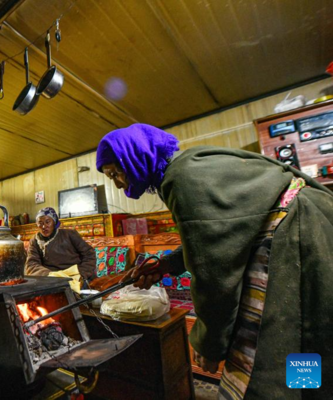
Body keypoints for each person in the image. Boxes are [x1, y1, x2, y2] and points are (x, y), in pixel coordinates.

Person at [96, 123, 333, 400]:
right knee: (304, 339)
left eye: (115, 173)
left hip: (295, 239)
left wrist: (208, 343)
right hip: (307, 232)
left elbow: (214, 272)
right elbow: (214, 239)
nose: (116, 183)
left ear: (134, 157)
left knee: (277, 349)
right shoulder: (191, 165)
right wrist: (164, 266)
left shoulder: (181, 178)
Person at [25, 207, 96, 287]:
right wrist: (50, 275)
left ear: (54, 222)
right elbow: (32, 264)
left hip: (75, 276)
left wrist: (81, 273)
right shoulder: (35, 241)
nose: (44, 226)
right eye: (40, 223)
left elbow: (89, 254)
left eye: (47, 222)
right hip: (51, 279)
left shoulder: (69, 235)